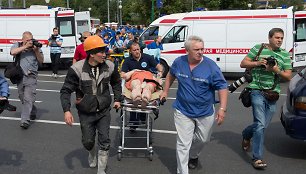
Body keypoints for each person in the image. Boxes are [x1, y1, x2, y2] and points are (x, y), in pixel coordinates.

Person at [160, 35, 228, 174]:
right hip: (182, 110)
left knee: (203, 140)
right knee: (183, 143)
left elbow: (222, 87)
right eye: (196, 49)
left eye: (202, 49)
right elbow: (170, 75)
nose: (200, 52)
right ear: (187, 50)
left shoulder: (211, 66)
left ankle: (194, 155)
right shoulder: (179, 62)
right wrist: (165, 91)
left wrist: (222, 109)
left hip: (205, 111)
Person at [60, 35, 122, 174]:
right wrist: (67, 110)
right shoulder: (76, 69)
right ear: (92, 54)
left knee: (105, 140)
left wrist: (118, 99)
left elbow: (116, 83)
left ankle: (101, 171)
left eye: (104, 50)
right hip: (85, 111)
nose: (104, 53)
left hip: (104, 110)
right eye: (101, 51)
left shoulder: (110, 66)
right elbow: (65, 91)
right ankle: (91, 153)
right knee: (88, 142)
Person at [240, 28, 292, 169]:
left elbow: (288, 76)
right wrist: (258, 63)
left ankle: (246, 134)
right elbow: (243, 63)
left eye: (281, 38)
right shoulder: (258, 48)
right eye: (277, 37)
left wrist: (276, 70)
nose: (280, 40)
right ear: (269, 38)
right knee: (260, 124)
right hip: (256, 90)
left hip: (273, 93)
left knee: (262, 125)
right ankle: (257, 158)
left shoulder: (285, 55)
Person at [121, 42, 163, 132]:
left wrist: (160, 73)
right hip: (135, 78)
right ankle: (133, 123)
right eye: (134, 50)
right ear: (130, 51)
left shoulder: (147, 57)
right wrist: (133, 71)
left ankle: (144, 100)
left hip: (147, 78)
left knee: (148, 88)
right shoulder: (127, 60)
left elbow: (159, 67)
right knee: (136, 87)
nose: (137, 51)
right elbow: (123, 74)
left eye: (138, 49)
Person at [10, 31, 44, 129]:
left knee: (28, 97)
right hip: (19, 75)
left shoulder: (35, 47)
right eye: (28, 40)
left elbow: (41, 61)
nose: (30, 42)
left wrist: (36, 51)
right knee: (22, 96)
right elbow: (13, 52)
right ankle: (32, 110)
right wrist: (25, 47)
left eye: (31, 39)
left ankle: (25, 120)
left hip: (31, 76)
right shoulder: (17, 45)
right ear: (23, 40)